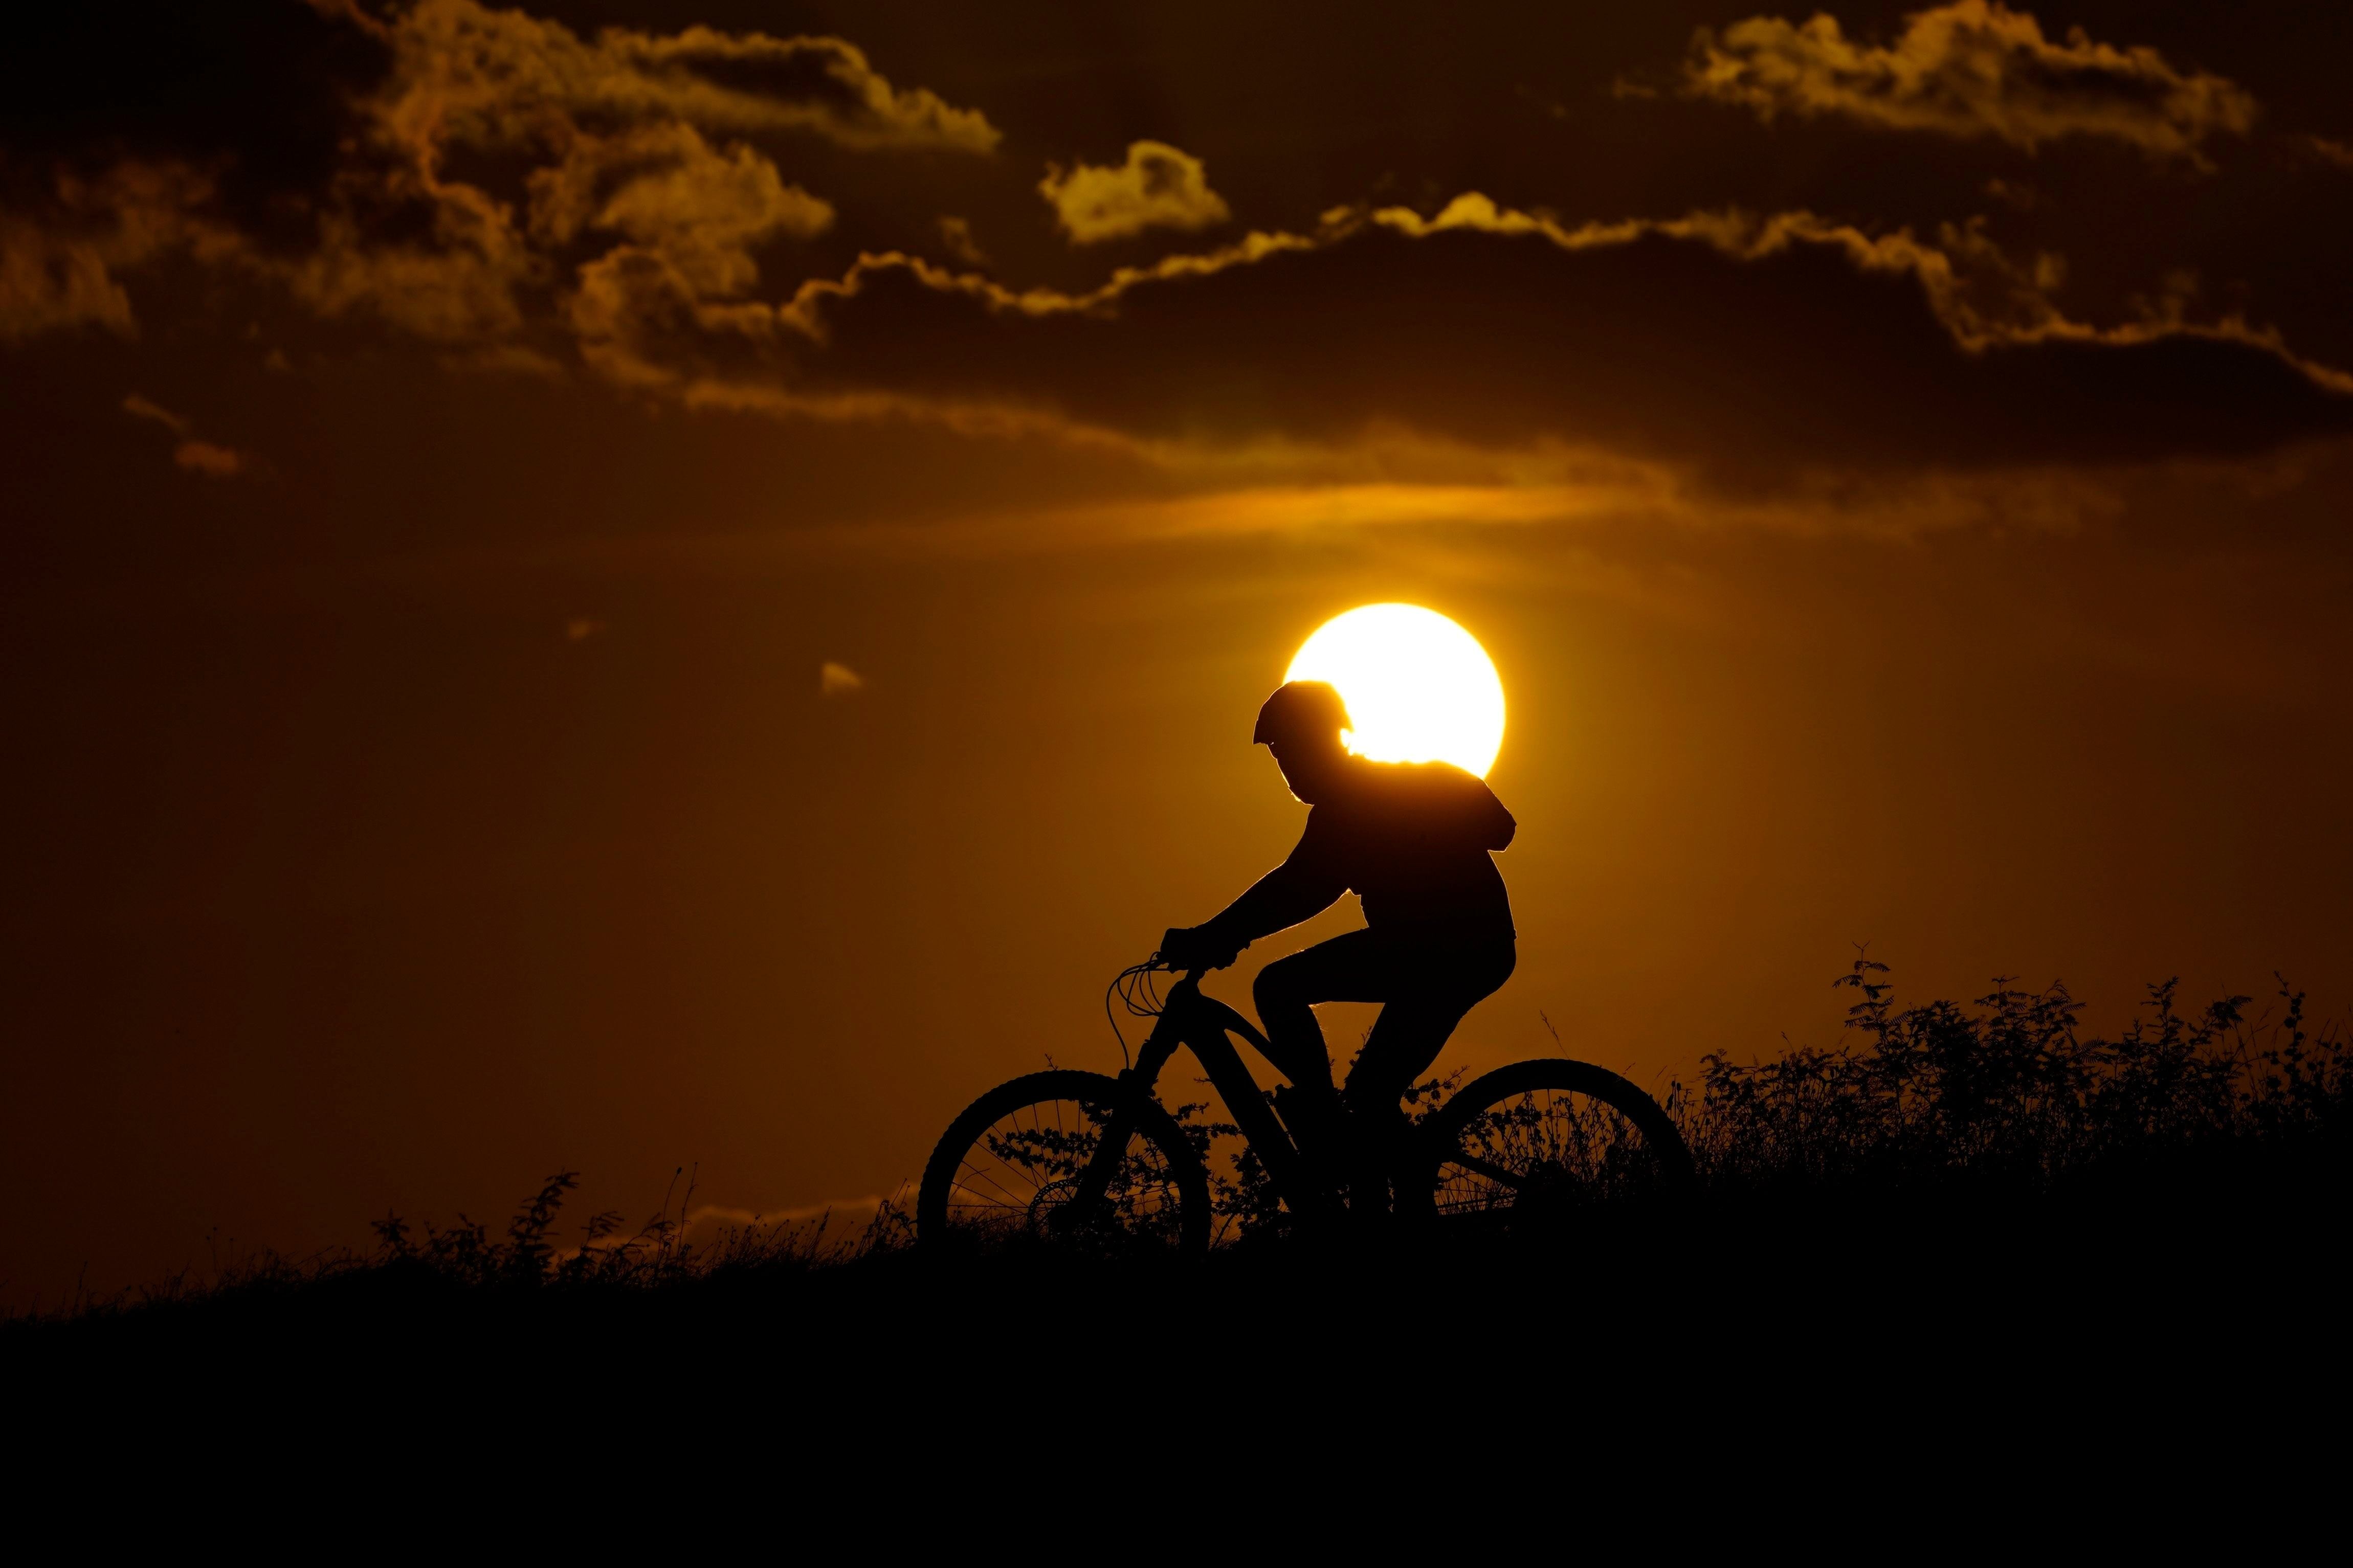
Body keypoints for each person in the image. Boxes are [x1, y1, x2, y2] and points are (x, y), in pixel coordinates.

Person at [1159, 680, 1517, 1204]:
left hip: (1451, 950)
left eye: (1293, 750)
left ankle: (1326, 1133)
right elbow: (1298, 887)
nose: (1288, 767)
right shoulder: (1346, 808)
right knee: (1370, 1098)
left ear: (1329, 740)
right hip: (1438, 951)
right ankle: (1373, 1187)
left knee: (1279, 987)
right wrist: (1222, 935)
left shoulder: (1367, 798)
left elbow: (1298, 890)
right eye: (1280, 756)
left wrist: (1215, 937)